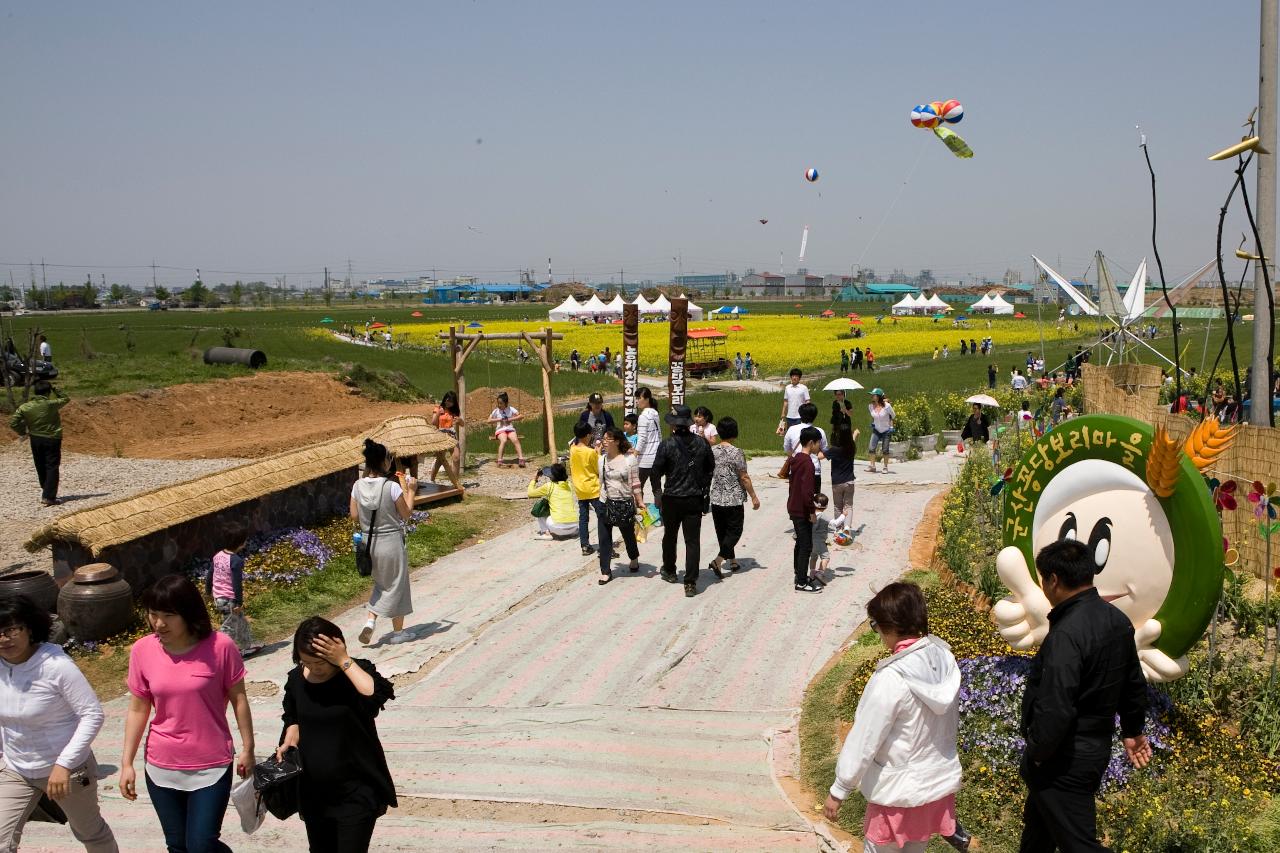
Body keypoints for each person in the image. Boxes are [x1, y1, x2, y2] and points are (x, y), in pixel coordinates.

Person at [1018, 539, 1150, 851]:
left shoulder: (1066, 635)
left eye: (1043, 579)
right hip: (1092, 749)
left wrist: (1038, 753)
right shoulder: (1116, 620)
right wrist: (1132, 731)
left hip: (1063, 759)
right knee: (1038, 832)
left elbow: (1056, 706)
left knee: (1078, 843)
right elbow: (1133, 681)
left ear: (1053, 580)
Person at [824, 582, 975, 853]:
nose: (878, 633)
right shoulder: (944, 658)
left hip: (897, 794)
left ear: (891, 626)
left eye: (876, 625)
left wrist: (839, 789)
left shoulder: (890, 679)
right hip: (934, 789)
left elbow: (865, 738)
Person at [121, 575, 254, 853]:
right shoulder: (142, 651)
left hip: (211, 763)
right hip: (161, 764)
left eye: (169, 615)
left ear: (189, 613)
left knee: (201, 845)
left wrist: (248, 748)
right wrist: (127, 763)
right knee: (178, 846)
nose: (159, 624)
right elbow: (138, 708)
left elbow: (239, 699)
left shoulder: (221, 647)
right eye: (153, 614)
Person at [0, 596, 117, 853]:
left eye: (10, 630)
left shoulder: (56, 666)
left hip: (67, 769)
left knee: (90, 833)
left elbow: (92, 714)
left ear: (29, 629)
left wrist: (64, 764)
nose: (3, 639)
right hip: (15, 768)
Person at [278, 617, 397, 853]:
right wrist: (289, 740)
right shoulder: (296, 680)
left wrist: (344, 661)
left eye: (320, 662)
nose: (314, 668)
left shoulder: (356, 673)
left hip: (357, 789)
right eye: (306, 662)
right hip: (314, 792)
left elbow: (372, 696)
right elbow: (293, 717)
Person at [352, 438, 416, 646]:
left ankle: (371, 621)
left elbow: (354, 515)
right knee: (398, 584)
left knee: (381, 583)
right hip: (391, 542)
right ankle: (397, 633)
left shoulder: (357, 486)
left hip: (370, 543)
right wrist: (412, 491)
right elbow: (405, 514)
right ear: (384, 462)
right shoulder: (392, 487)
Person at [650, 404, 714, 597]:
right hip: (694, 498)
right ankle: (690, 582)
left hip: (671, 498)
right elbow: (710, 467)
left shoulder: (667, 445)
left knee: (670, 536)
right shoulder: (702, 443)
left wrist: (657, 493)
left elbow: (655, 472)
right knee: (692, 541)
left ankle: (669, 570)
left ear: (674, 425)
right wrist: (704, 487)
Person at [708, 416, 760, 577]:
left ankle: (732, 561)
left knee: (722, 531)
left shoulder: (712, 451)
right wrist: (753, 496)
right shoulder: (737, 452)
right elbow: (744, 477)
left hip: (716, 497)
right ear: (734, 432)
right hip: (734, 498)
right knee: (735, 531)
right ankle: (718, 560)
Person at [8, 379, 69, 507]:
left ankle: (45, 489)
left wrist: (22, 432)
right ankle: (48, 496)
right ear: (47, 392)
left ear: (35, 392)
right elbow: (65, 398)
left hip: (35, 439)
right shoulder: (51, 404)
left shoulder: (25, 407)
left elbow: (13, 423)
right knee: (52, 465)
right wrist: (55, 389)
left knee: (40, 464)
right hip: (52, 438)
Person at [204, 529, 262, 657]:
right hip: (230, 600)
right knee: (228, 628)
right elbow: (237, 584)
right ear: (241, 543)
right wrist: (239, 602)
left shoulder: (218, 555)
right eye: (245, 540)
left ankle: (247, 647)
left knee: (241, 622)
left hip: (218, 597)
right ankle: (220, 655)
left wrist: (207, 592)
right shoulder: (236, 560)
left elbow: (210, 575)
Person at [597, 427, 643, 583]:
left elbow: (636, 483)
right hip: (605, 502)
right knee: (604, 538)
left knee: (628, 534)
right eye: (603, 439)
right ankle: (605, 571)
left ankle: (633, 557)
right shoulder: (601, 459)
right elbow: (601, 482)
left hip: (624, 504)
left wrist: (640, 501)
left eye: (607, 439)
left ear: (616, 441)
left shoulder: (629, 460)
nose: (604, 442)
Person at [788, 428, 823, 593]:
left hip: (793, 506)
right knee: (806, 546)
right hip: (802, 510)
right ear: (811, 443)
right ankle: (801, 582)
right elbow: (807, 492)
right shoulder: (808, 463)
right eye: (818, 442)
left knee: (800, 543)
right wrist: (812, 512)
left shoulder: (796, 459)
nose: (819, 446)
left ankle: (799, 574)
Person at [569, 421, 604, 557]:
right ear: (588, 435)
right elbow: (598, 468)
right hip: (593, 488)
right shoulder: (590, 452)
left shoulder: (572, 449)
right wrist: (598, 452)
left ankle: (585, 545)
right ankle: (604, 545)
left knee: (583, 518)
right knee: (602, 517)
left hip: (580, 488)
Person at [528, 463, 578, 539]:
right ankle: (570, 533)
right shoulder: (569, 485)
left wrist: (534, 479)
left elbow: (530, 493)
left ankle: (546, 533)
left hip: (557, 528)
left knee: (541, 507)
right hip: (574, 527)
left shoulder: (549, 486)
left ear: (552, 476)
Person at [632, 388, 662, 503]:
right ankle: (662, 515)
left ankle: (640, 513)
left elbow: (642, 438)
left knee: (637, 488)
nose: (637, 401)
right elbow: (659, 435)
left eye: (639, 398)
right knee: (657, 488)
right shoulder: (655, 413)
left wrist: (634, 454)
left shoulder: (643, 416)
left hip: (645, 459)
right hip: (656, 457)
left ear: (647, 399)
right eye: (636, 398)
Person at [826, 420, 858, 526]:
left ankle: (839, 529)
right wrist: (855, 434)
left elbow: (821, 456)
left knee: (837, 506)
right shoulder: (852, 447)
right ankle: (847, 529)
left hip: (837, 482)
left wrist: (819, 447)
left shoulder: (834, 450)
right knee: (848, 506)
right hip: (849, 481)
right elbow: (852, 440)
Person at [429, 390, 462, 483]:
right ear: (444, 399)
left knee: (456, 457)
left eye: (451, 402)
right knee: (440, 459)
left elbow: (462, 424)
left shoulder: (454, 411)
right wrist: (439, 413)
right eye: (447, 400)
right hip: (441, 435)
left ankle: (455, 482)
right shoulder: (438, 408)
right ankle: (432, 479)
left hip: (451, 435)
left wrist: (460, 420)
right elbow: (433, 423)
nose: (448, 403)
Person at [487, 391, 526, 467]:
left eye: (501, 403)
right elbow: (488, 421)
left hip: (510, 429)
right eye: (498, 403)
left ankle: (521, 459)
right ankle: (500, 460)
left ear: (506, 403)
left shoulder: (511, 409)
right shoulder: (496, 411)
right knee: (504, 440)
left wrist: (511, 419)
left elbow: (521, 416)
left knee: (515, 440)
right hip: (500, 430)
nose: (499, 405)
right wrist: (499, 419)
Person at [808, 493, 838, 587]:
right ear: (826, 506)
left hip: (810, 540)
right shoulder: (822, 515)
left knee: (813, 557)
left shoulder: (811, 514)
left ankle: (812, 573)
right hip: (819, 541)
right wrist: (843, 516)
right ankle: (820, 573)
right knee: (826, 557)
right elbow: (835, 523)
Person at [867, 389, 896, 474]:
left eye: (874, 395)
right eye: (871, 394)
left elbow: (893, 415)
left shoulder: (887, 406)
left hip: (886, 430)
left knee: (885, 450)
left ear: (878, 397)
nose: (872, 396)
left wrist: (891, 426)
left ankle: (885, 467)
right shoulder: (870, 406)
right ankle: (872, 466)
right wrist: (873, 422)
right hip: (876, 429)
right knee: (871, 448)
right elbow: (874, 416)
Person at [777, 368, 811, 434]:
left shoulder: (804, 388)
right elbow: (785, 401)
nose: (794, 378)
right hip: (789, 416)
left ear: (799, 378)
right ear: (791, 377)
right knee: (790, 435)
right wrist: (783, 413)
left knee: (799, 435)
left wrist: (808, 413)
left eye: (796, 376)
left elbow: (808, 401)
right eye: (793, 376)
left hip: (800, 416)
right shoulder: (787, 388)